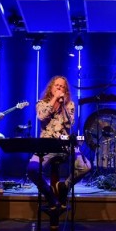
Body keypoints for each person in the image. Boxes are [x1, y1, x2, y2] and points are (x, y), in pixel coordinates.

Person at [27, 75, 91, 211]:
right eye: (57, 85)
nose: (59, 88)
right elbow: (41, 116)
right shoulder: (41, 103)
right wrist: (55, 99)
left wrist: (62, 105)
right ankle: (49, 195)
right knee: (32, 169)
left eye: (62, 87)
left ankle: (64, 187)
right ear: (51, 88)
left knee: (85, 167)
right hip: (46, 145)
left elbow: (70, 123)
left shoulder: (69, 105)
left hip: (65, 144)